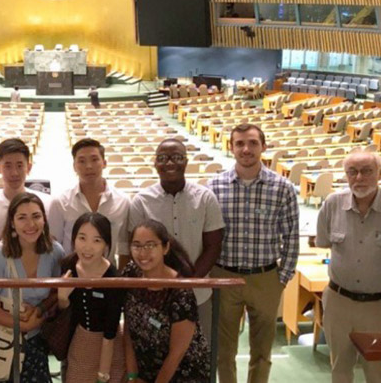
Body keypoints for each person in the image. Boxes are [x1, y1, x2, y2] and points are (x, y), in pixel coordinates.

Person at [208, 123, 299, 383]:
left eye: (252, 143)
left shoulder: (282, 188)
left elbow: (291, 235)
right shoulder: (214, 185)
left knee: (262, 350)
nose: (246, 149)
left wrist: (281, 278)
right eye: (239, 144)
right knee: (224, 351)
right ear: (231, 147)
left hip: (265, 278)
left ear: (263, 146)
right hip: (225, 277)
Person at [316, 151, 381, 383]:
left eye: (367, 171)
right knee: (340, 368)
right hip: (338, 302)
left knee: (377, 372)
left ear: (380, 173)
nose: (359, 177)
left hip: (379, 307)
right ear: (346, 175)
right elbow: (323, 242)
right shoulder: (332, 204)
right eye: (352, 172)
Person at [126, 138, 224, 338]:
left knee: (200, 351)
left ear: (186, 162)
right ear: (155, 163)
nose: (170, 163)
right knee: (155, 351)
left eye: (177, 157)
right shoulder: (141, 202)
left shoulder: (206, 198)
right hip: (153, 295)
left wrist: (187, 284)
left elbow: (213, 247)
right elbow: (134, 250)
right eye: (163, 158)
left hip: (198, 294)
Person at [0, 192, 65, 383]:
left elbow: (57, 291)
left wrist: (40, 311)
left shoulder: (54, 251)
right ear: (12, 223)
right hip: (0, 342)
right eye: (22, 218)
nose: (30, 224)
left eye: (36, 216)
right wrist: (20, 324)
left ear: (44, 219)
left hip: (35, 342)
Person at [123, 220, 211, 383]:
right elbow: (129, 328)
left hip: (183, 373)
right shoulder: (130, 273)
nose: (142, 253)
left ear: (165, 248)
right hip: (144, 370)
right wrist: (132, 376)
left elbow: (176, 354)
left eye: (150, 245)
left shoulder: (180, 292)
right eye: (137, 246)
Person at [57, 213, 126, 383]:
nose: (87, 247)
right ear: (73, 239)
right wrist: (62, 298)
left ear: (106, 245)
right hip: (79, 341)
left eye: (97, 240)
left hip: (109, 346)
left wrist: (103, 374)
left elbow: (110, 330)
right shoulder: (68, 266)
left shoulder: (113, 277)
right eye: (82, 238)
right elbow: (63, 311)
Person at [48, 138, 129, 262]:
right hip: (71, 275)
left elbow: (124, 246)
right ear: (74, 166)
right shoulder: (60, 202)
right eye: (82, 161)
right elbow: (54, 246)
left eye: (94, 159)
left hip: (108, 275)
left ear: (104, 163)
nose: (89, 166)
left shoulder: (122, 201)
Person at [0, 138, 49, 255]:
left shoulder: (45, 205)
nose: (14, 173)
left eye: (19, 165)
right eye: (8, 166)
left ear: (29, 167)